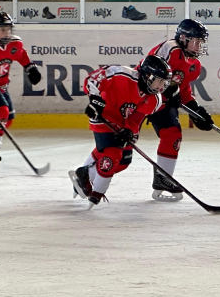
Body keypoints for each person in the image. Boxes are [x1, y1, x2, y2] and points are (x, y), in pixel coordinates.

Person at [69, 55, 171, 208]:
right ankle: (96, 194)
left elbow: (136, 119)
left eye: (164, 82)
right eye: (159, 81)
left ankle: (84, 173)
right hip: (104, 116)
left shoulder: (154, 99)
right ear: (147, 76)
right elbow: (93, 79)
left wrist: (129, 130)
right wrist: (95, 99)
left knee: (123, 161)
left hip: (121, 123)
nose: (162, 86)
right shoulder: (121, 74)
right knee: (113, 154)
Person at [145, 19, 215, 201]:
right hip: (143, 96)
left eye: (201, 42)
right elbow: (149, 71)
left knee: (173, 135)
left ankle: (163, 178)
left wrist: (196, 110)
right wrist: (168, 88)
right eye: (196, 41)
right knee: (119, 144)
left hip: (162, 103)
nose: (199, 46)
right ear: (183, 38)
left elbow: (183, 91)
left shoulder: (194, 65)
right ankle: (88, 173)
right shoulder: (171, 49)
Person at [0, 12, 41, 168]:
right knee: (2, 112)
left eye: (8, 29)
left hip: (2, 87)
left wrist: (30, 68)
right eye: (2, 30)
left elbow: (21, 55)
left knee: (7, 119)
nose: (6, 33)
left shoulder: (14, 43)